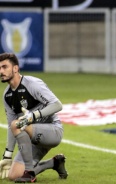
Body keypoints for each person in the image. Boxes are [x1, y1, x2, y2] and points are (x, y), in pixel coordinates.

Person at [0, 53, 68, 182]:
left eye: (4, 67)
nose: (1, 71)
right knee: (14, 176)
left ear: (15, 68)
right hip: (31, 136)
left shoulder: (32, 83)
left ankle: (30, 173)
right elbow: (10, 126)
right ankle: (54, 163)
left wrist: (34, 116)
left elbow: (57, 105)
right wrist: (7, 156)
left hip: (53, 131)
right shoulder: (7, 96)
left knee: (17, 124)